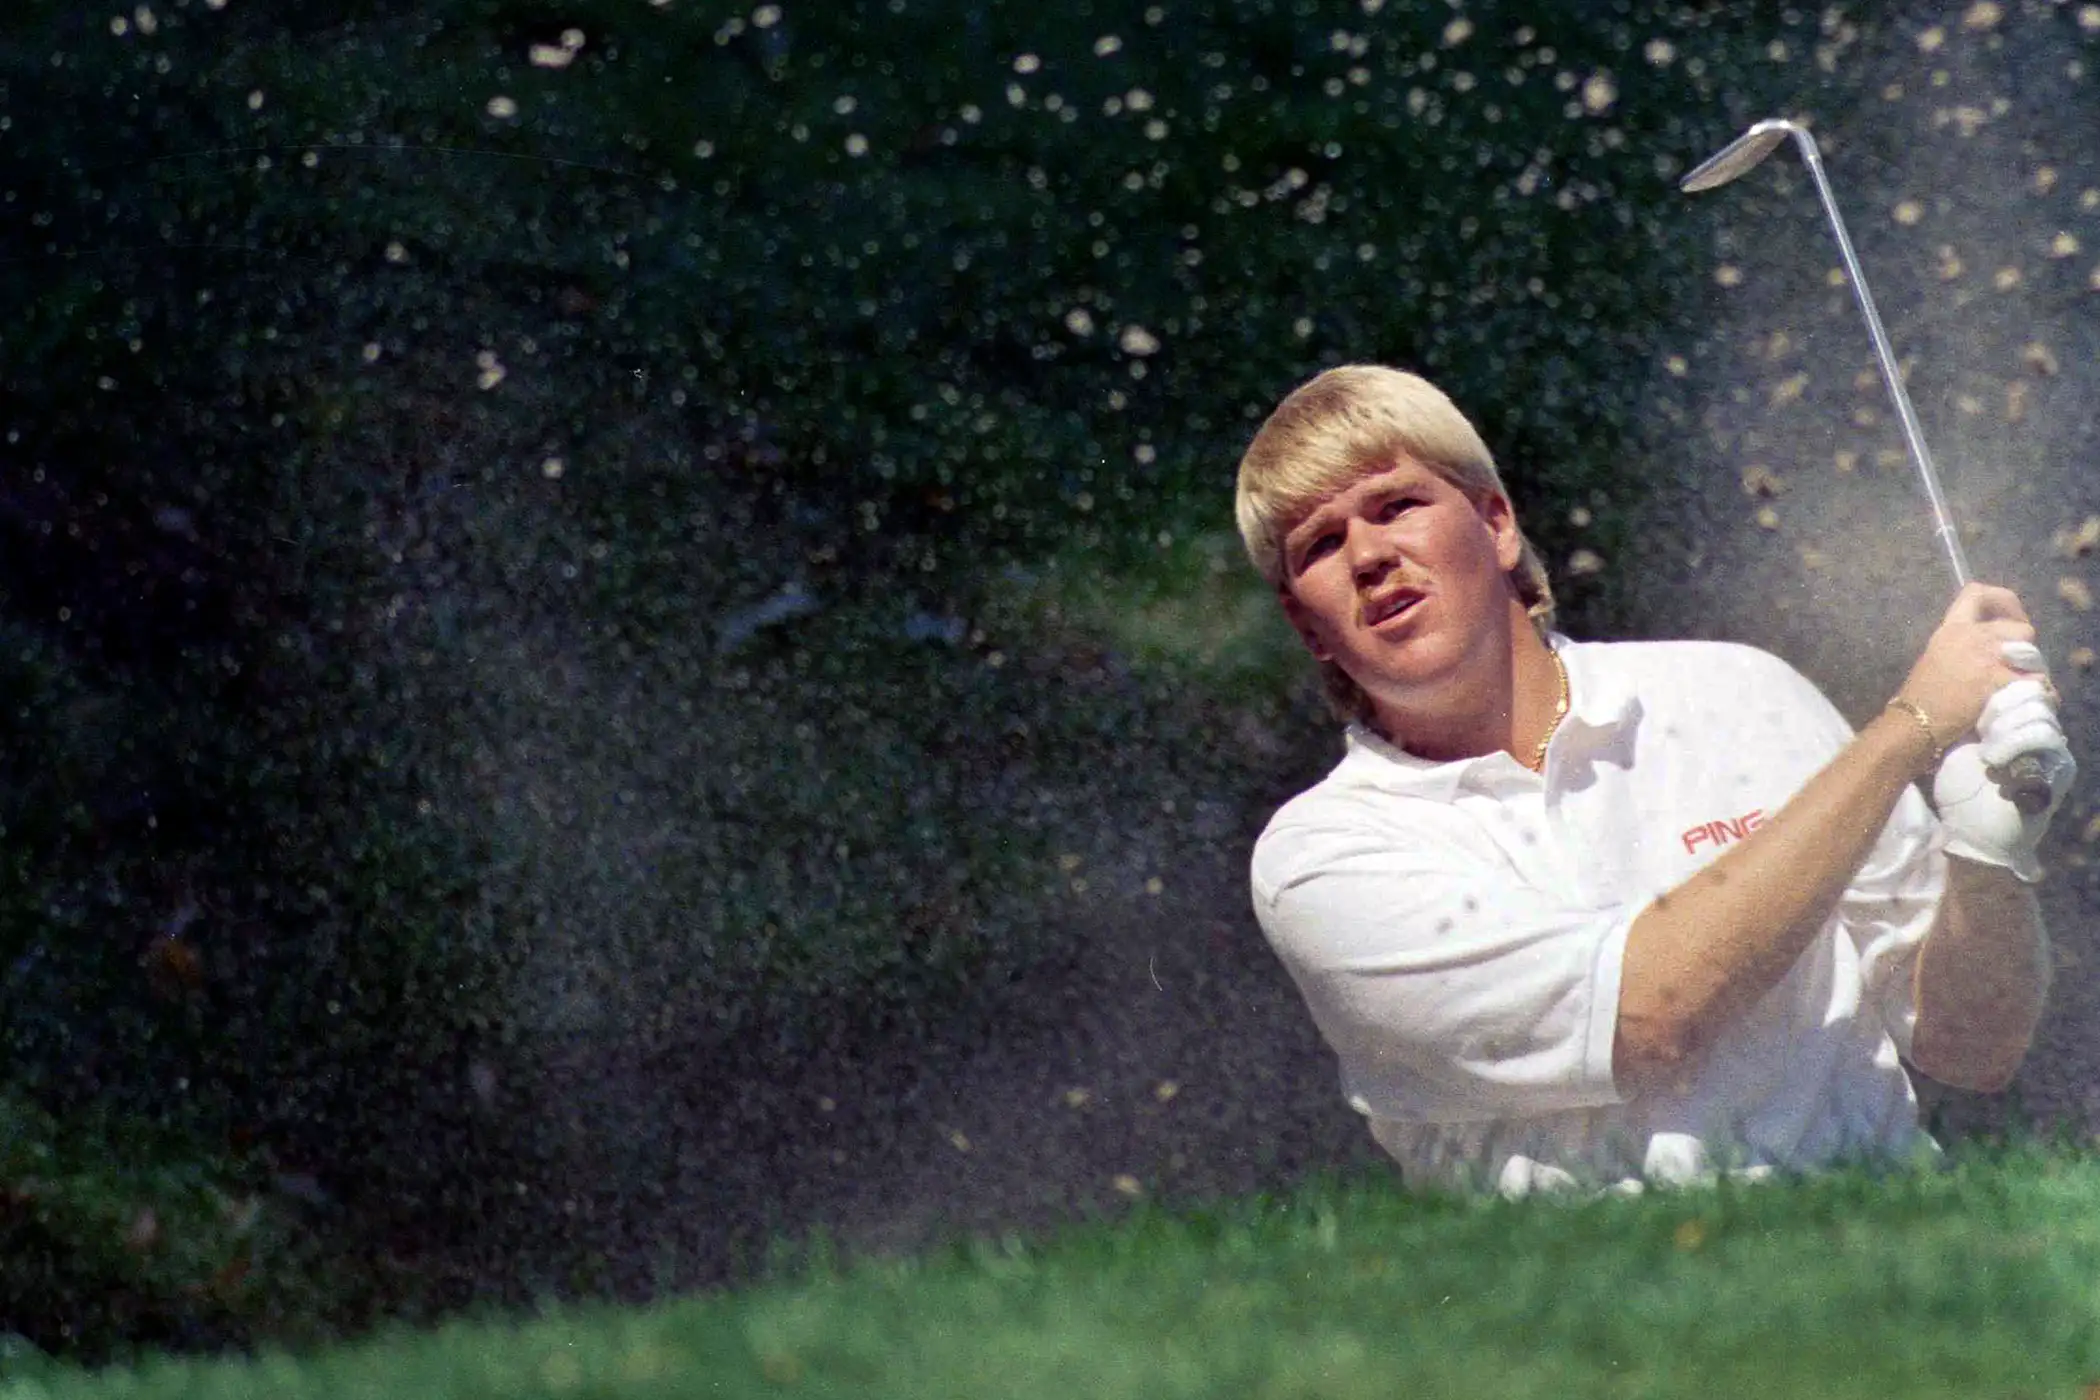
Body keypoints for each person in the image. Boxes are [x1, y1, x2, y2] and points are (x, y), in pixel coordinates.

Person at [1235, 364, 2075, 1200]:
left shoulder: (1741, 693)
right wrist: (1908, 729)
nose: (1371, 555)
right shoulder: (1321, 854)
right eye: (1321, 545)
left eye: (1396, 506)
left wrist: (1987, 858)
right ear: (1304, 623)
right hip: (1594, 1317)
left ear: (1495, 525)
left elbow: (1975, 1048)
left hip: (1882, 1259)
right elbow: (1649, 1013)